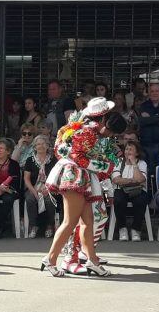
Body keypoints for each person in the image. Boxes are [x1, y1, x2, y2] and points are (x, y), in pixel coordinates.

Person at [42, 97, 116, 277]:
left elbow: (60, 148)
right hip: (75, 178)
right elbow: (77, 157)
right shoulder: (88, 132)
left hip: (78, 177)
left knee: (87, 222)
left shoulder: (78, 128)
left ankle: (92, 260)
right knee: (70, 222)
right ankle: (50, 259)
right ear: (104, 117)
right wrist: (105, 167)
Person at [110, 140, 149, 241]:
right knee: (118, 200)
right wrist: (132, 180)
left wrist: (134, 164)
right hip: (121, 190)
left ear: (137, 153)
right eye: (126, 149)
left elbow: (140, 179)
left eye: (131, 149)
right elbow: (116, 179)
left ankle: (136, 229)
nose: (128, 151)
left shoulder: (142, 163)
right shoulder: (118, 162)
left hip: (137, 190)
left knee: (141, 200)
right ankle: (122, 228)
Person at [23, 135, 57, 238]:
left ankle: (50, 225)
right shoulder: (30, 160)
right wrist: (34, 192)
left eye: (43, 143)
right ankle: (33, 226)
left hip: (49, 187)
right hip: (34, 187)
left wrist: (48, 189)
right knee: (30, 199)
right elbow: (26, 179)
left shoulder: (53, 159)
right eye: (38, 144)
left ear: (47, 145)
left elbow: (57, 177)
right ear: (34, 147)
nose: (40, 146)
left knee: (49, 200)